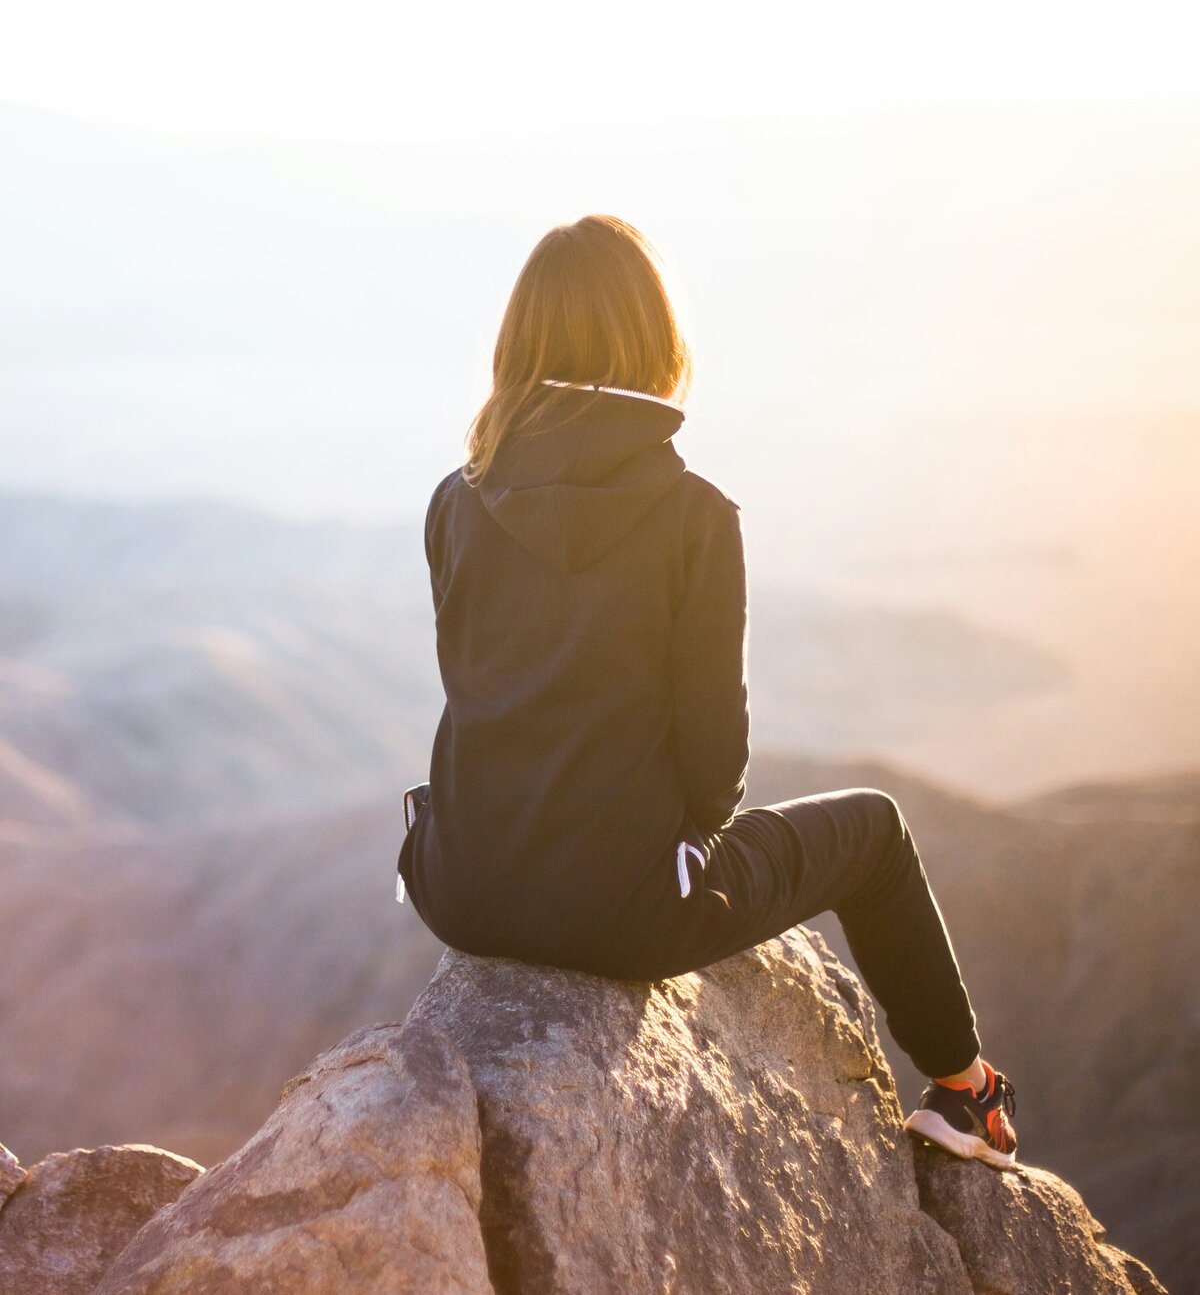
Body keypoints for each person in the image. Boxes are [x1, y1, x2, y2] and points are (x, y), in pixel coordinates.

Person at [397, 213, 1018, 1168]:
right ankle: (964, 1091)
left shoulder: (455, 497)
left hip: (458, 885)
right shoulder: (694, 517)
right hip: (626, 914)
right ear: (654, 341)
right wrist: (672, 855)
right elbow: (715, 768)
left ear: (518, 343)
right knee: (878, 831)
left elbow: (477, 688)